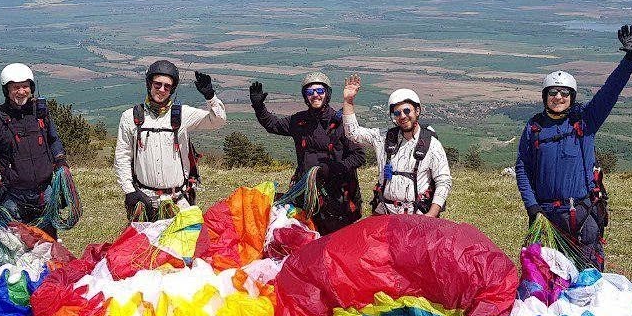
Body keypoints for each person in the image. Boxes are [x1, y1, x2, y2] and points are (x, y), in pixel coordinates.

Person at [515, 25, 632, 271]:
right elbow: (523, 168)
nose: (558, 97)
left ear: (572, 97)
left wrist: (630, 59)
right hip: (546, 216)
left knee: (588, 279)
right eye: (553, 92)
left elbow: (609, 93)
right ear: (544, 96)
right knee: (547, 280)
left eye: (564, 93)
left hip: (583, 214)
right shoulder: (534, 128)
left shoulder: (585, 122)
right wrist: (531, 206)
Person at [249, 72, 365, 235]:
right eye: (310, 92)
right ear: (305, 96)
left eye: (320, 91)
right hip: (306, 191)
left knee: (337, 239)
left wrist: (335, 168)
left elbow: (359, 156)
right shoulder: (298, 121)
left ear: (327, 94)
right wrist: (259, 106)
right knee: (309, 236)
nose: (315, 95)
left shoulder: (341, 123)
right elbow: (272, 124)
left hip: (338, 193)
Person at [114, 59, 226, 221]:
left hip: (178, 200)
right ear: (149, 84)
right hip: (144, 199)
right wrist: (129, 191)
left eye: (167, 86)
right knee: (142, 247)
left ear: (172, 89)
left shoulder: (182, 114)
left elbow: (218, 120)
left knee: (186, 245)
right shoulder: (130, 117)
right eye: (157, 84)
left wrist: (210, 97)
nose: (161, 89)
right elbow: (122, 157)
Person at [340, 74, 452, 217]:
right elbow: (353, 133)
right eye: (397, 113)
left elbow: (443, 181)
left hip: (418, 215)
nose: (403, 116)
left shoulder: (432, 144)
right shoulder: (382, 138)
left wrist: (431, 215)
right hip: (384, 213)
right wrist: (348, 101)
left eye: (407, 111)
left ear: (417, 111)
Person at [0, 63, 67, 238]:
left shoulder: (41, 112)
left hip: (45, 193)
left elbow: (54, 140)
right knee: (17, 248)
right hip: (13, 197)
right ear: (7, 90)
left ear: (31, 88)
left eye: (25, 86)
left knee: (48, 244)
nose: (21, 92)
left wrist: (60, 160)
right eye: (15, 87)